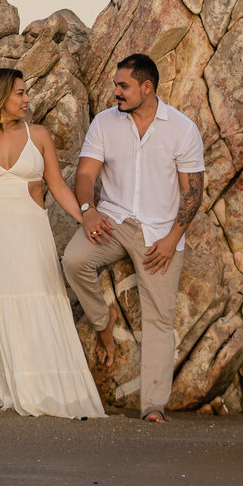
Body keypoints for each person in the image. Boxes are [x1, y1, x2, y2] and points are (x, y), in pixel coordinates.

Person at [61, 54, 205, 423]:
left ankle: (153, 405)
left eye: (123, 86)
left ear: (147, 88)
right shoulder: (105, 123)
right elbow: (86, 174)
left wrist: (173, 238)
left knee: (159, 318)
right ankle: (102, 319)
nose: (115, 93)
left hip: (159, 233)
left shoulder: (183, 129)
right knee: (73, 260)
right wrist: (87, 209)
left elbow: (193, 192)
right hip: (112, 219)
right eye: (115, 85)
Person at [0, 68, 106, 419]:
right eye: (20, 93)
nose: (27, 99)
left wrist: (85, 216)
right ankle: (13, 387)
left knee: (40, 299)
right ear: (0, 98)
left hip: (30, 231)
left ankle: (47, 387)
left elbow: (57, 185)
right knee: (2, 305)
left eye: (27, 93)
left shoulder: (38, 134)